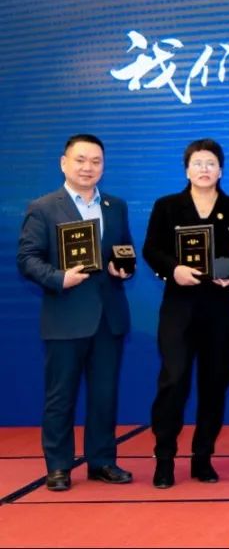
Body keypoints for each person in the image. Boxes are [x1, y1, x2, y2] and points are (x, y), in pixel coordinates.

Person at [17, 134, 135, 492]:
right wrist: (58, 278)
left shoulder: (115, 206)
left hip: (109, 318)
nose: (88, 167)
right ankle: (58, 466)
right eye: (81, 160)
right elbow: (27, 259)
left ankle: (102, 461)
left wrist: (122, 269)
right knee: (61, 397)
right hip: (65, 317)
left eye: (96, 161)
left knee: (104, 396)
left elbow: (123, 251)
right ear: (63, 163)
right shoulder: (43, 207)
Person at [143, 139, 229, 488]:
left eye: (211, 163)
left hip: (221, 308)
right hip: (179, 307)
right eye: (197, 163)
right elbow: (152, 249)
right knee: (174, 380)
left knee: (215, 384)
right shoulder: (167, 206)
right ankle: (164, 458)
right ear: (187, 170)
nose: (204, 169)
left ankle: (203, 457)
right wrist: (174, 270)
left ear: (221, 170)